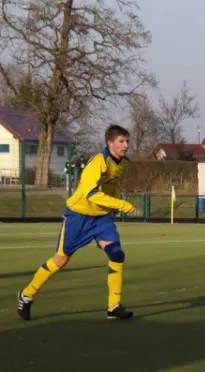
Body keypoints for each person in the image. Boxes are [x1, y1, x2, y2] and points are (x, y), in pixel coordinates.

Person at [17, 125, 137, 321]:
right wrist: (121, 204)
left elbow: (112, 187)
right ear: (110, 143)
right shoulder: (98, 162)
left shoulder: (123, 163)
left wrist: (113, 207)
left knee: (116, 253)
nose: (126, 145)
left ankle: (113, 306)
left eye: (127, 141)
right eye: (121, 141)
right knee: (61, 259)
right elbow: (91, 193)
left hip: (102, 218)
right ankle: (27, 295)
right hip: (78, 216)